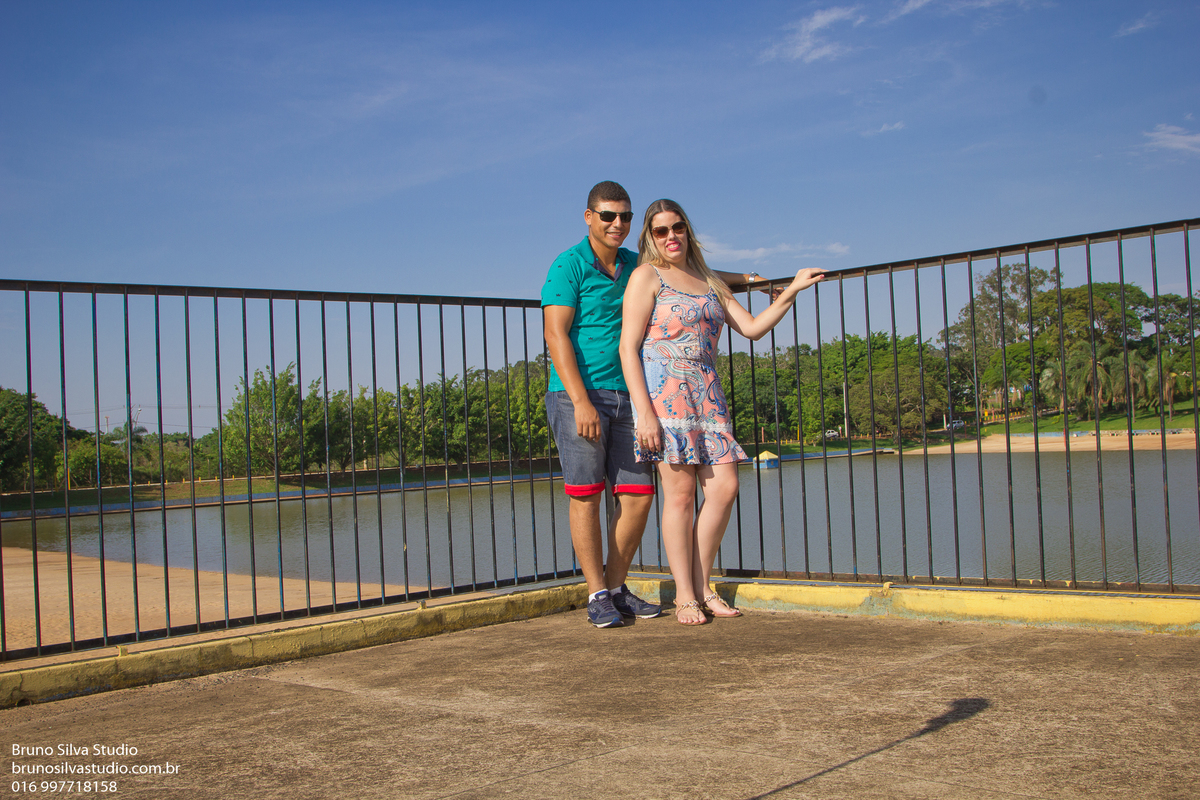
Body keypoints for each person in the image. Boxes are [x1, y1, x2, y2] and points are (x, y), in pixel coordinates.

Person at [543, 182, 771, 628]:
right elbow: (555, 335)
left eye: (624, 217)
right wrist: (580, 401)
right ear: (588, 217)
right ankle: (596, 594)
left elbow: (688, 272)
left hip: (632, 394)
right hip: (580, 396)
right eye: (608, 216)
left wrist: (749, 280)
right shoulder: (567, 266)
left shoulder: (635, 265)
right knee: (587, 495)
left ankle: (616, 586)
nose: (617, 224)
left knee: (638, 496)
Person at [619, 199, 825, 625]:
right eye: (661, 231)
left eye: (677, 228)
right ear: (650, 238)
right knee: (680, 497)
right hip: (665, 397)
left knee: (725, 488)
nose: (671, 236)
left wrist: (790, 290)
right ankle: (685, 596)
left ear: (688, 231)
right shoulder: (646, 275)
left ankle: (702, 583)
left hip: (708, 397)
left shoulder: (710, 280)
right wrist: (644, 412)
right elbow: (628, 347)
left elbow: (750, 328)